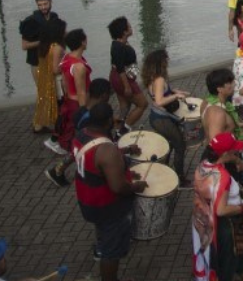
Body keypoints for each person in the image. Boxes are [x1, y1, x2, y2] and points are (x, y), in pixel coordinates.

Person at [73, 102, 146, 281]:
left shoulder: (81, 135)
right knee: (111, 253)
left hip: (87, 200)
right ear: (108, 122)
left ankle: (102, 246)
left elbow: (98, 160)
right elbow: (118, 187)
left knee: (104, 235)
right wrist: (136, 186)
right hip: (108, 207)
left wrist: (126, 151)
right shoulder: (107, 150)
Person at [192, 132, 243, 281]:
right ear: (225, 153)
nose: (236, 152)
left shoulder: (202, 166)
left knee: (210, 260)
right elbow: (221, 210)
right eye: (233, 150)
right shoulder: (223, 176)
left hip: (203, 220)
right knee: (225, 265)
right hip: (222, 227)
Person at [141, 48, 190, 186]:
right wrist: (175, 96)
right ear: (160, 62)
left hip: (158, 118)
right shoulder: (160, 79)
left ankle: (164, 172)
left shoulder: (154, 78)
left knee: (169, 145)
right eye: (166, 59)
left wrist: (175, 91)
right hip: (162, 119)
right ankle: (180, 179)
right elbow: (159, 101)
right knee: (180, 146)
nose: (168, 62)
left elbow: (161, 92)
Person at [20, 0, 64, 134]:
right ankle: (39, 125)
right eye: (40, 5)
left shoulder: (55, 17)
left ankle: (49, 121)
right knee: (44, 93)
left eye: (45, 4)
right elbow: (25, 45)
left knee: (55, 92)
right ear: (37, 5)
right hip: (37, 62)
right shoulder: (30, 21)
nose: (43, 7)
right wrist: (44, 40)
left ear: (50, 2)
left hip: (52, 60)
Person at [107, 17, 147, 131]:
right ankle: (125, 129)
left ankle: (119, 126)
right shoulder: (118, 47)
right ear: (123, 31)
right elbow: (120, 68)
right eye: (129, 27)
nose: (131, 28)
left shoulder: (120, 43)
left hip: (119, 76)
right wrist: (127, 86)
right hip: (123, 78)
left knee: (124, 104)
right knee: (142, 104)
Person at [34, 18, 66, 148]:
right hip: (59, 83)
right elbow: (55, 69)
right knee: (63, 112)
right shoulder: (57, 47)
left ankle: (58, 136)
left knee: (61, 111)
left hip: (51, 83)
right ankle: (57, 138)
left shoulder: (44, 46)